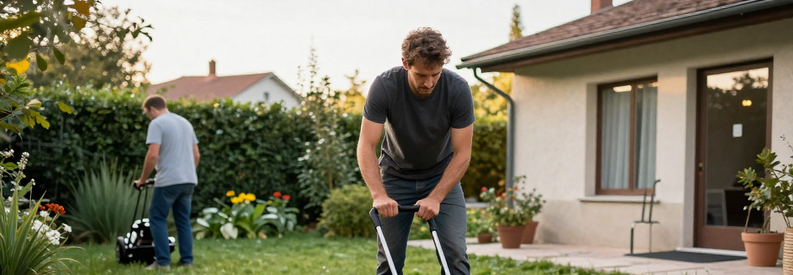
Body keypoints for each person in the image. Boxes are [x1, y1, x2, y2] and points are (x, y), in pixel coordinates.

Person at [358, 27, 475, 275]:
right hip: (395, 176)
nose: (429, 83)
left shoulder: (457, 89)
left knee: (455, 256)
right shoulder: (385, 86)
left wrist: (436, 196)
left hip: (441, 176)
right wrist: (379, 195)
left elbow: (463, 153)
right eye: (421, 75)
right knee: (389, 261)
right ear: (405, 64)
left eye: (435, 74)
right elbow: (367, 145)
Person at [135, 94, 200, 270]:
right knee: (183, 220)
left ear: (152, 109)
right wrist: (187, 173)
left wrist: (142, 179)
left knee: (157, 218)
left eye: (147, 113)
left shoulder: (157, 124)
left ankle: (163, 262)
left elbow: (153, 155)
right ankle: (187, 261)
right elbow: (197, 155)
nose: (148, 117)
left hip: (168, 181)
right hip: (189, 180)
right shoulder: (185, 123)